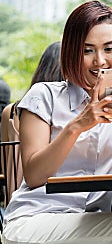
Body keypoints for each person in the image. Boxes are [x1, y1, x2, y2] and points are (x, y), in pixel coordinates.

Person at [1, 0, 112, 243]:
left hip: (90, 221)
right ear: (72, 50)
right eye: (88, 50)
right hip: (35, 219)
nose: (99, 61)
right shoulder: (43, 95)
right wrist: (78, 124)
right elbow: (34, 176)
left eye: (108, 49)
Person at [1, 41, 63, 206]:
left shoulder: (12, 111)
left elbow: (10, 166)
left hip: (18, 199)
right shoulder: (71, 114)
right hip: (57, 199)